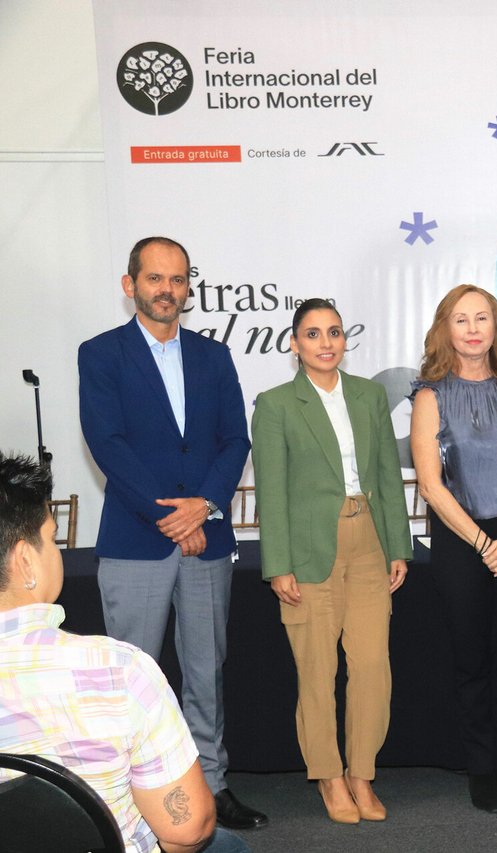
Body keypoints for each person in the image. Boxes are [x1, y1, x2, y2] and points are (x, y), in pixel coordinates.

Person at [78, 236, 266, 828]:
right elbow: (106, 444)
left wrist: (205, 505)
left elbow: (235, 439)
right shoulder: (101, 353)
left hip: (207, 538)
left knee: (206, 671)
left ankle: (211, 784)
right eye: (155, 278)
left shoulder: (214, 357)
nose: (168, 290)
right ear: (130, 284)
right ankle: (132, 799)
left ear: (190, 287)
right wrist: (169, 516)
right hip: (137, 540)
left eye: (179, 280)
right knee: (134, 678)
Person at [0, 452, 249, 853]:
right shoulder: (119, 671)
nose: (57, 550)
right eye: (51, 537)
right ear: (25, 561)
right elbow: (188, 831)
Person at [250, 299, 412, 824]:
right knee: (317, 673)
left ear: (345, 340)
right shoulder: (274, 405)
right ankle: (329, 777)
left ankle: (362, 773)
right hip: (308, 550)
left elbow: (389, 475)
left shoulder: (369, 395)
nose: (326, 342)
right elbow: (270, 491)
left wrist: (398, 547)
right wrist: (278, 563)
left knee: (371, 668)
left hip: (369, 542)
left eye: (335, 332)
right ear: (294, 344)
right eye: (314, 334)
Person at [409, 284, 497, 813]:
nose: (472, 328)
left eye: (482, 318)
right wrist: (484, 543)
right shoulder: (430, 395)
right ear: (446, 329)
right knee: (471, 659)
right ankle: (481, 766)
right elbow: (431, 485)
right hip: (460, 542)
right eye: (461, 319)